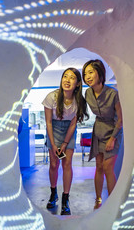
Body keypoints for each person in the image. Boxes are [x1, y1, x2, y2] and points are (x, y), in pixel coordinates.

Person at [42, 67, 88, 215]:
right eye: (65, 76)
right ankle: (53, 193)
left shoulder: (79, 101)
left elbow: (73, 124)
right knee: (54, 163)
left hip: (69, 130)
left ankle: (65, 198)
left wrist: (64, 143)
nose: (67, 80)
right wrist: (54, 144)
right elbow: (48, 123)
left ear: (78, 83)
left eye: (72, 77)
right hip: (53, 128)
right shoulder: (52, 97)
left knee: (67, 163)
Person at [82, 59, 123, 210]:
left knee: (108, 167)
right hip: (98, 130)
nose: (87, 76)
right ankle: (98, 200)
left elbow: (120, 119)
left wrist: (112, 138)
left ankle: (112, 203)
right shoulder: (87, 93)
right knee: (98, 166)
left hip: (113, 131)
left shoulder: (113, 93)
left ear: (100, 73)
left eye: (91, 72)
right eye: (85, 74)